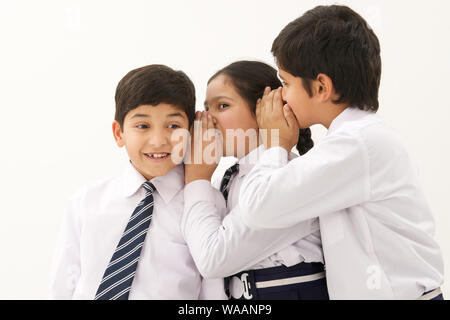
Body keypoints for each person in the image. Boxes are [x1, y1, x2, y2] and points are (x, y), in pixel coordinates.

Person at [238, 5, 444, 299]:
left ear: (321, 87)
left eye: (286, 83)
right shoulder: (357, 139)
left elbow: (258, 208)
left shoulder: (357, 144)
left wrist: (275, 142)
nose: (281, 95)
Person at [49, 64, 225, 299]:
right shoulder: (85, 202)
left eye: (173, 126)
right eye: (142, 126)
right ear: (119, 133)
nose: (158, 140)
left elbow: (213, 293)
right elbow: (62, 287)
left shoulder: (206, 204)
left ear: (191, 132)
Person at [182, 60, 328, 300]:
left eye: (222, 105)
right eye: (207, 108)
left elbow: (212, 259)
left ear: (264, 109)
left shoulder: (291, 176)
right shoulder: (227, 180)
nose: (209, 119)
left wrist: (196, 179)